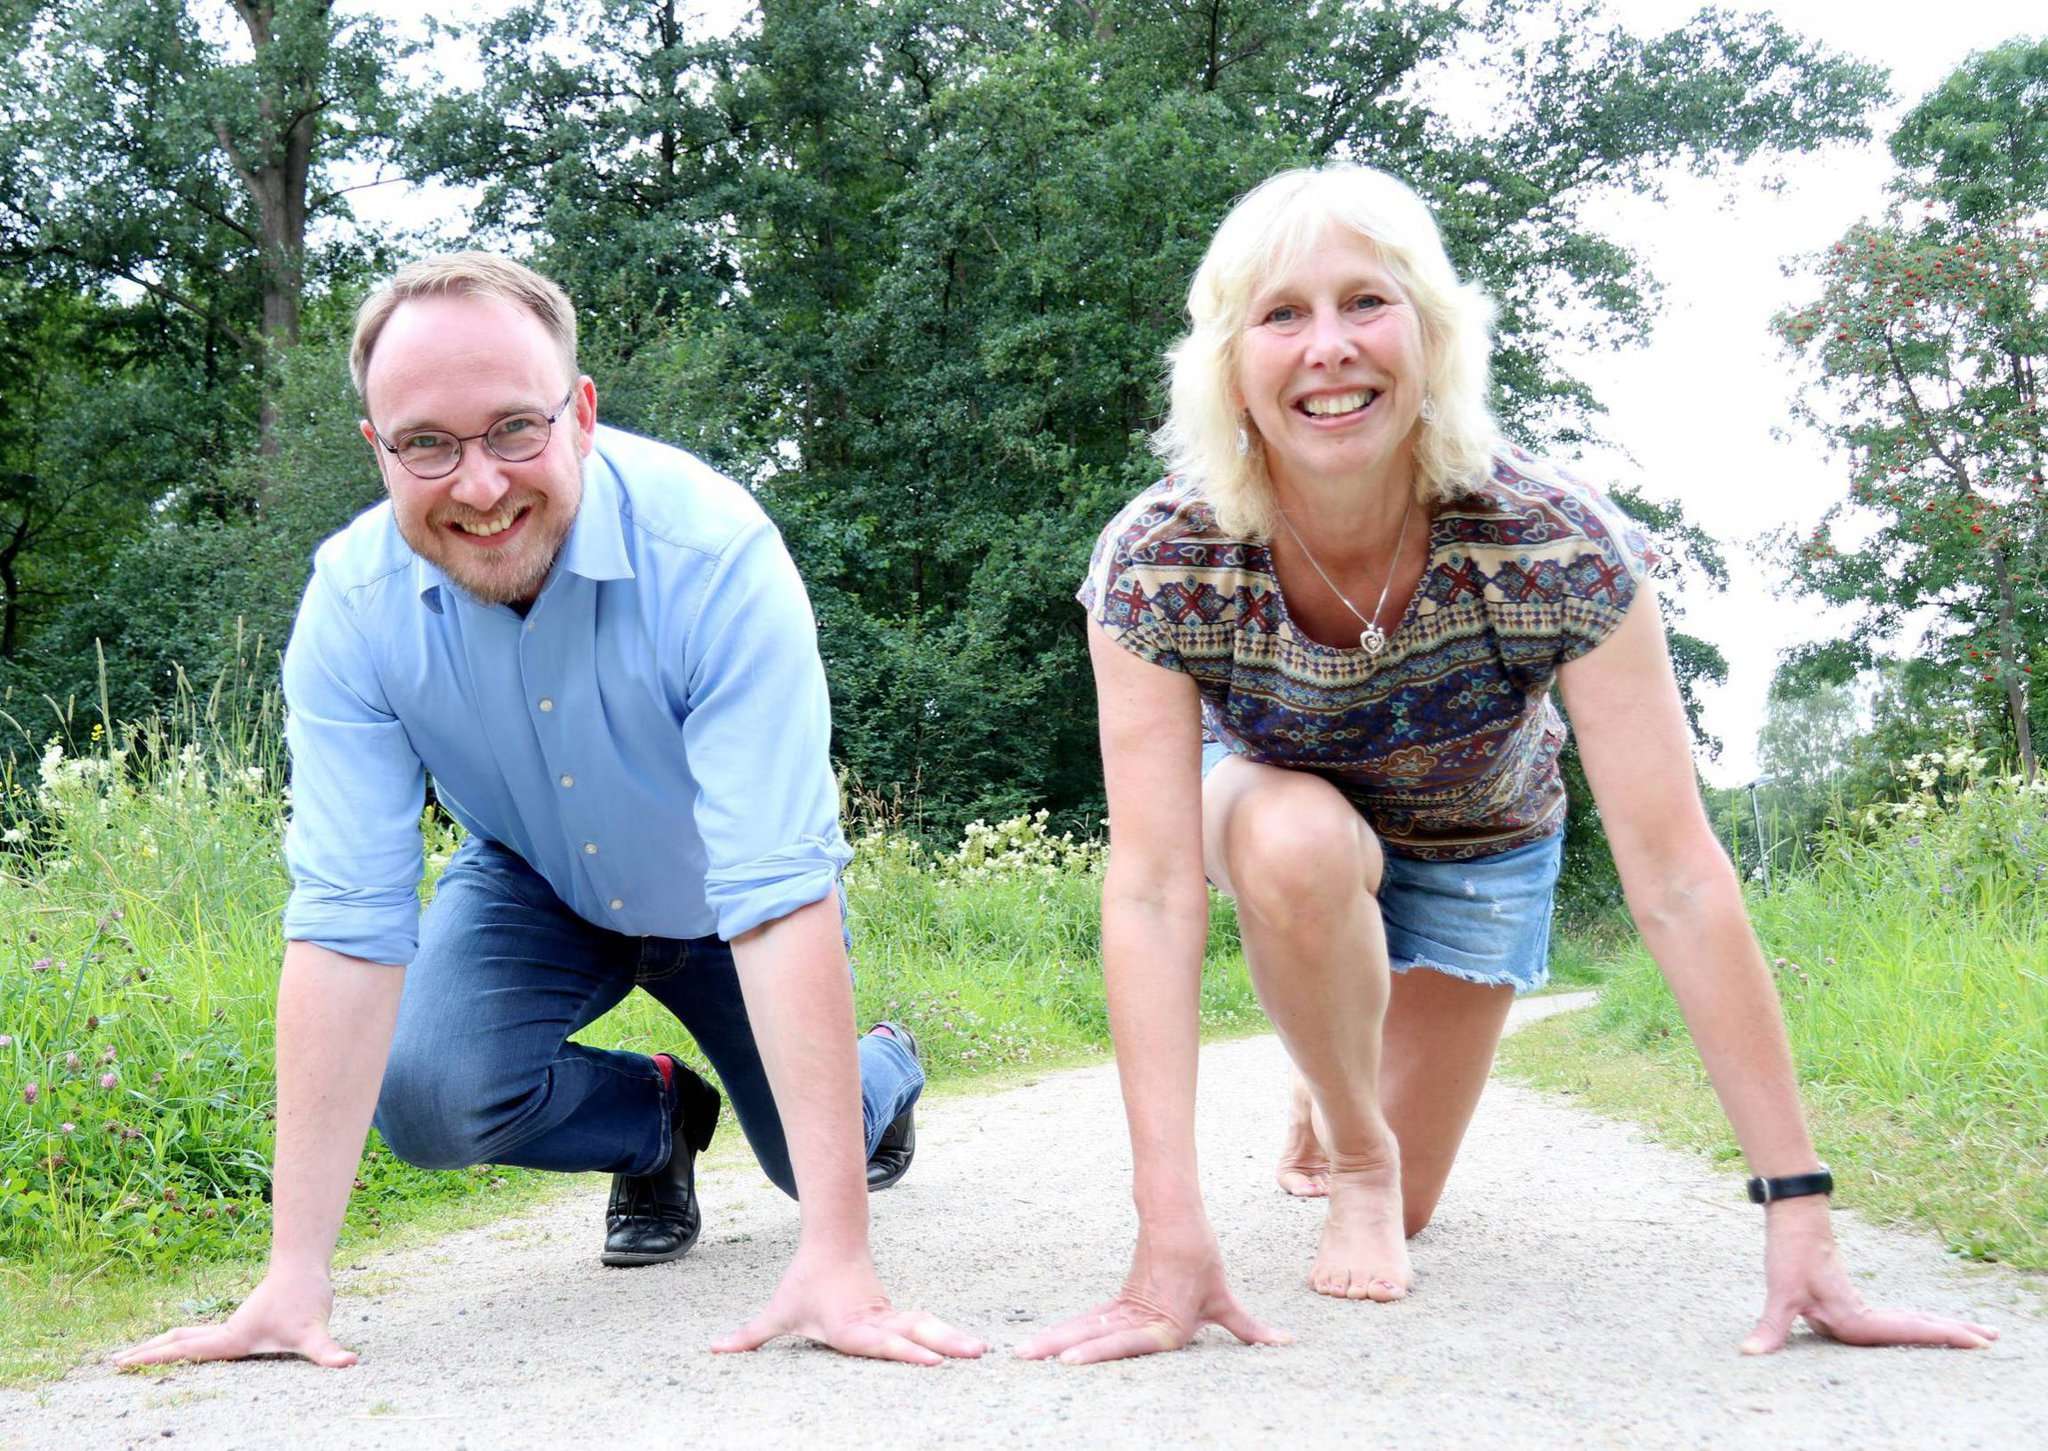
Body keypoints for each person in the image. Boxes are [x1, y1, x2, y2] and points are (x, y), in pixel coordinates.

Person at [1022, 166, 1999, 1365]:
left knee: (1418, 1209)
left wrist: (1800, 1215)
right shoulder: (1159, 556)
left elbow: (1679, 878)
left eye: (1364, 302)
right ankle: (1353, 1133)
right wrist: (1166, 1241)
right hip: (1278, 809)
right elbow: (1154, 890)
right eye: (1281, 315)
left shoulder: (1555, 541)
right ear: (1228, 362)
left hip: (1479, 842)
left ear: (1431, 335)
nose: (1327, 347)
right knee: (1298, 850)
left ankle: (1348, 1070)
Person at [116, 254, 983, 1370]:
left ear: (579, 414)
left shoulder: (713, 553)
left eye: (513, 430)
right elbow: (345, 919)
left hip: (721, 898)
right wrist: (291, 1280)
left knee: (820, 1158)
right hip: (533, 879)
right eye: (428, 443)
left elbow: (775, 887)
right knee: (430, 1096)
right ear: (377, 449)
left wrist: (836, 1257)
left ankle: (886, 1061)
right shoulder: (352, 602)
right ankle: (655, 1119)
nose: (478, 485)